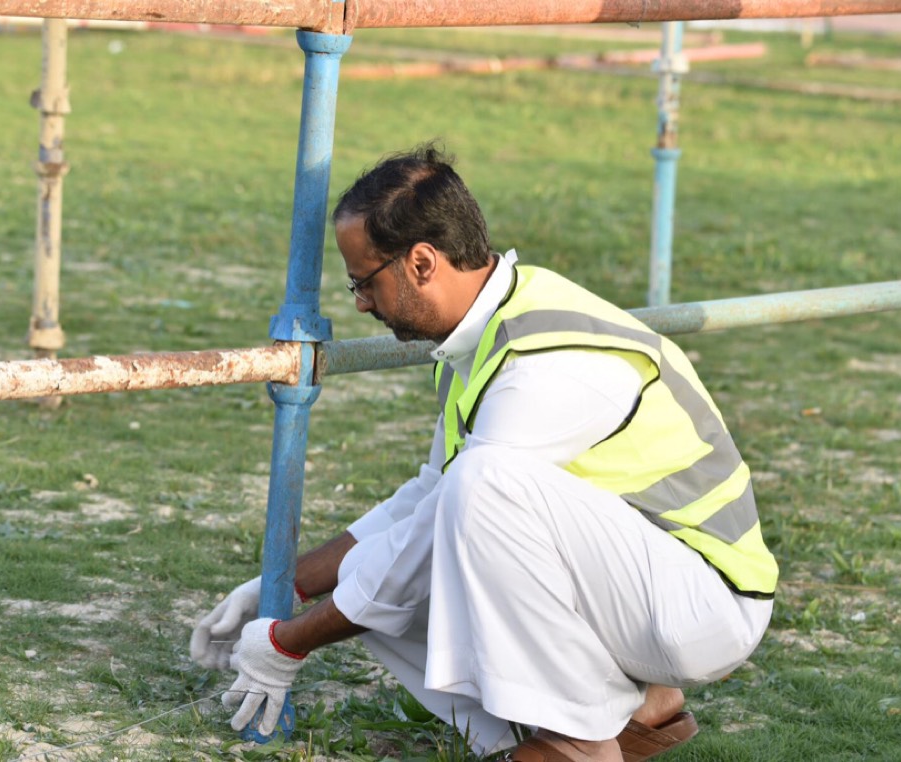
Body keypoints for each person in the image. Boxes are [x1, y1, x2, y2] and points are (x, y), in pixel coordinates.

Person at [191, 144, 778, 761]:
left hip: (705, 604)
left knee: (463, 504)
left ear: (421, 262)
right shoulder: (490, 328)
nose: (361, 302)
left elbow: (439, 527)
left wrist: (288, 642)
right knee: (422, 534)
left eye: (363, 281)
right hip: (647, 585)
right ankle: (624, 711)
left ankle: (579, 743)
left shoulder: (543, 362)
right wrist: (285, 584)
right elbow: (427, 499)